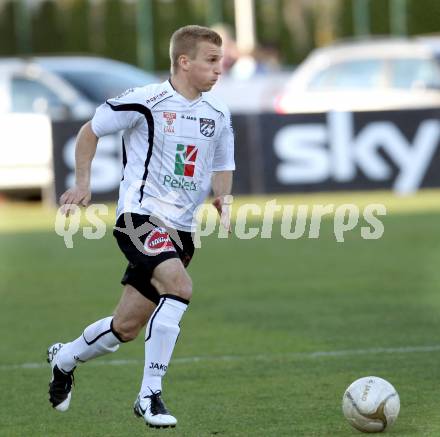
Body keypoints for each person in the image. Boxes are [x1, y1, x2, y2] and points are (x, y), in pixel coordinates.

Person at [47, 24, 234, 429]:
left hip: (182, 230)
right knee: (180, 287)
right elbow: (90, 131)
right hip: (139, 218)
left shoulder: (218, 113)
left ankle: (64, 360)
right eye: (212, 60)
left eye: (220, 61)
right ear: (184, 62)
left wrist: (224, 197)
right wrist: (82, 183)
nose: (220, 69)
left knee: (125, 328)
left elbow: (222, 162)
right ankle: (149, 396)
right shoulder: (146, 101)